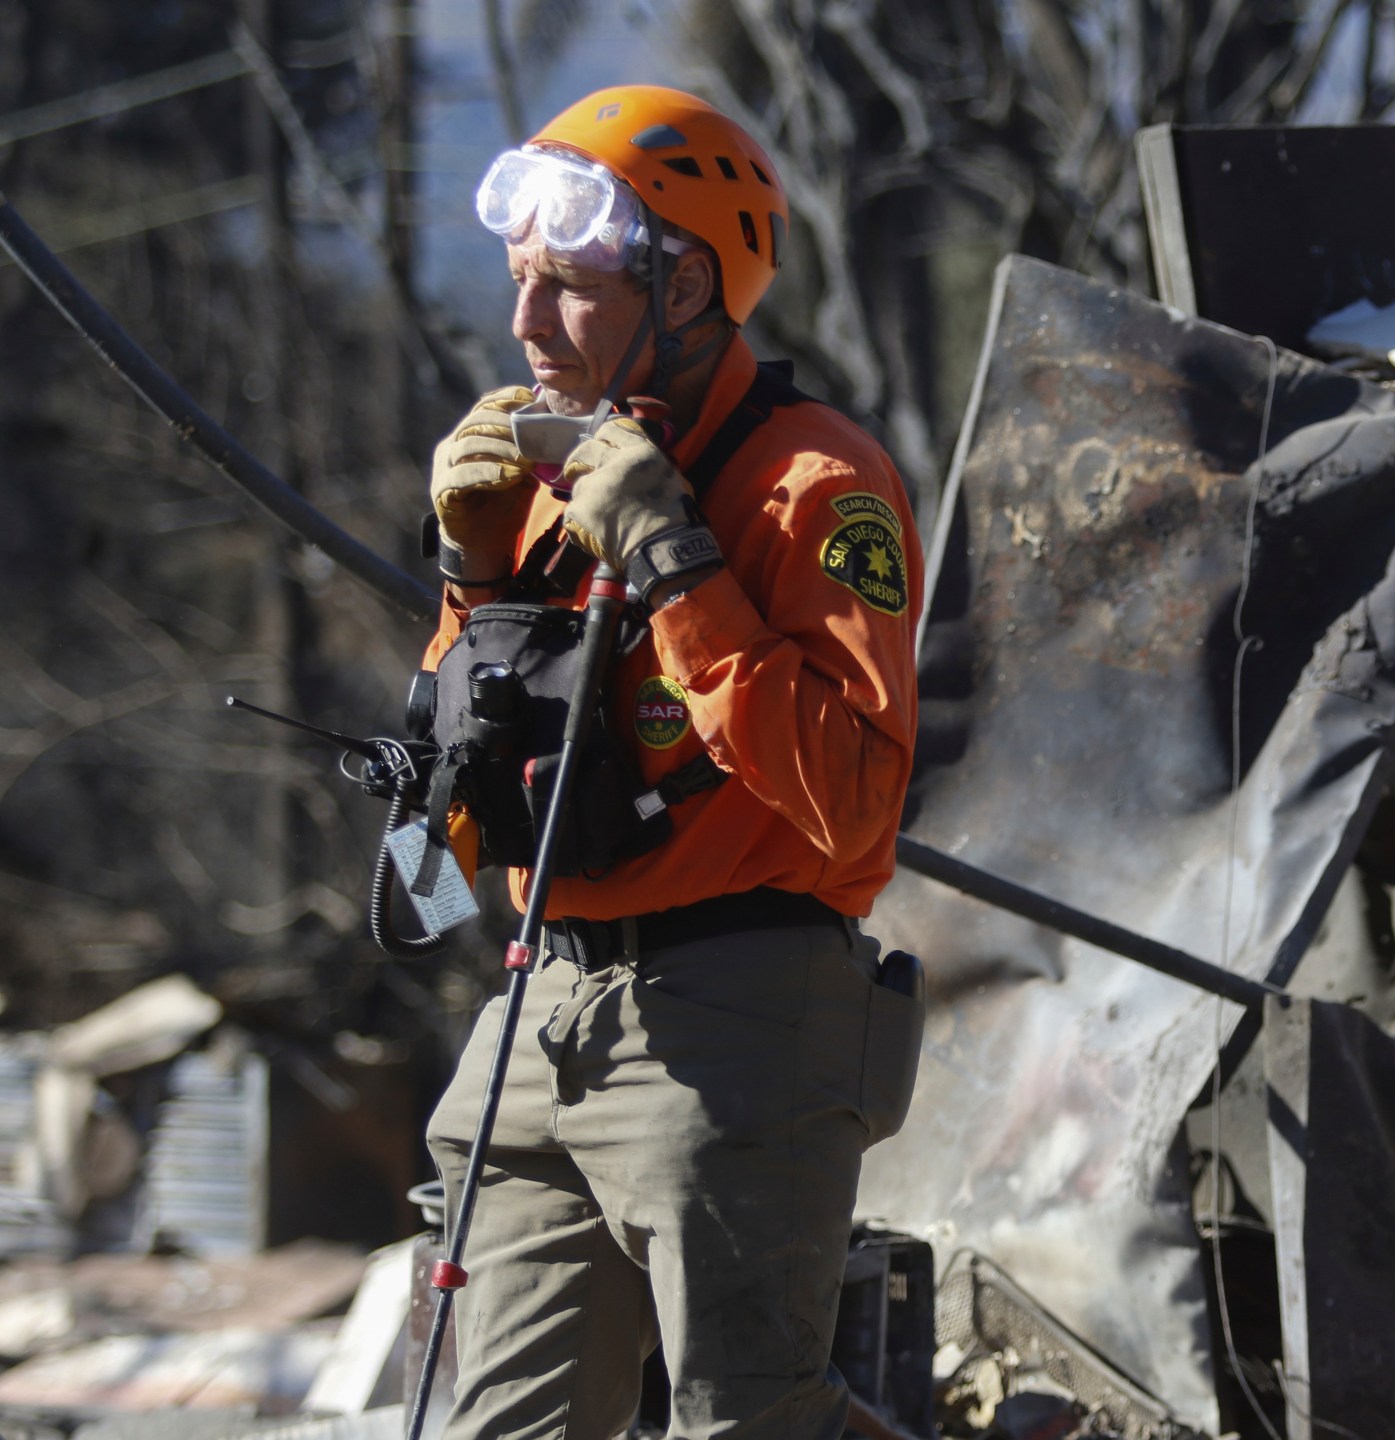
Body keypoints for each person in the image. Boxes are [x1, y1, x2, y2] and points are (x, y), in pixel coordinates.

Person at [419, 85, 920, 1440]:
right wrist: (472, 581)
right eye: (521, 284)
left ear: (685, 283)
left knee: (753, 1423)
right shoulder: (530, 484)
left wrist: (669, 554)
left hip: (742, 1003)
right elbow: (444, 840)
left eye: (570, 289)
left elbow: (856, 804)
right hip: (545, 1014)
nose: (525, 326)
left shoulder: (818, 486)